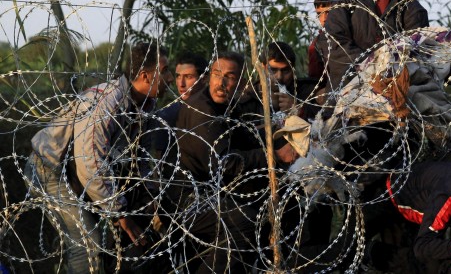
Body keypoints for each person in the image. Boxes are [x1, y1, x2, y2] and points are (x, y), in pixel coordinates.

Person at [24, 42, 173, 273]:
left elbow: (139, 158)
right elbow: (90, 162)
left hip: (76, 175)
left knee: (91, 241)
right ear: (145, 75)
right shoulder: (107, 103)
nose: (171, 78)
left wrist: (149, 193)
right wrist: (119, 211)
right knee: (88, 243)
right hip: (49, 170)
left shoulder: (144, 106)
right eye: (165, 71)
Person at [170, 51, 297, 273]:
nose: (222, 82)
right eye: (217, 74)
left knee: (284, 203)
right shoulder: (202, 109)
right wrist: (273, 156)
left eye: (230, 76)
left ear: (240, 81)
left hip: (213, 192)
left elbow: (244, 140)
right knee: (243, 223)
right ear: (209, 76)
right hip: (190, 198)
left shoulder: (228, 105)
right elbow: (224, 163)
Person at [262, 41, 323, 120]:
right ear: (263, 68)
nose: (279, 77)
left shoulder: (309, 92)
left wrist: (299, 110)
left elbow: (327, 115)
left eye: (285, 71)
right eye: (273, 70)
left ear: (293, 69)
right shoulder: (250, 97)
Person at [308, 0, 339, 80]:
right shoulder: (316, 46)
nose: (324, 19)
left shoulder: (358, 34)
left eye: (328, 12)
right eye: (319, 14)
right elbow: (315, 80)